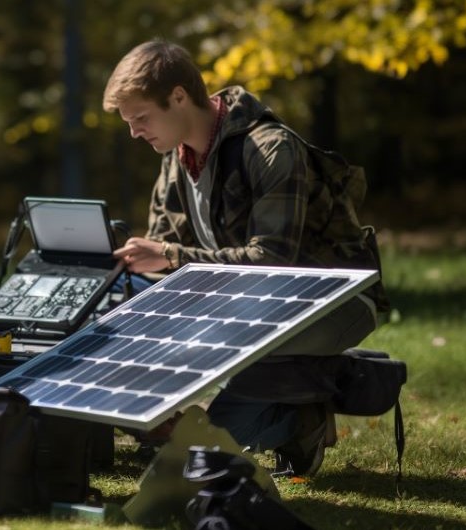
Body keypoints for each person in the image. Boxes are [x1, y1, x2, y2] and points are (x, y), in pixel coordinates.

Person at [102, 40, 386, 476]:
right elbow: (167, 259)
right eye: (129, 122)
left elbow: (272, 261)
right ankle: (174, 425)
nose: (134, 132)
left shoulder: (270, 148)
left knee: (205, 446)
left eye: (141, 118)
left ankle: (300, 416)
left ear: (179, 97)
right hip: (242, 303)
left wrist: (170, 256)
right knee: (110, 323)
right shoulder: (174, 160)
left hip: (331, 301)